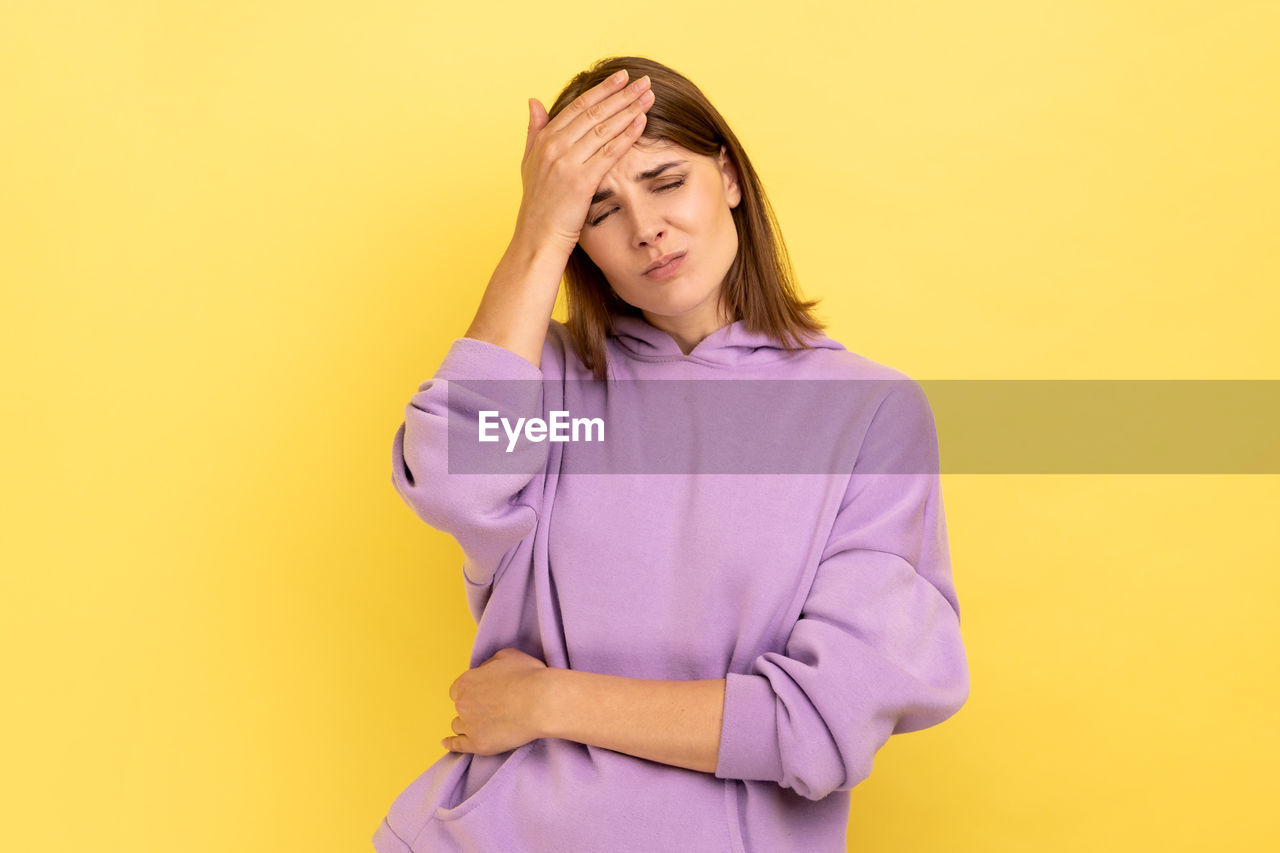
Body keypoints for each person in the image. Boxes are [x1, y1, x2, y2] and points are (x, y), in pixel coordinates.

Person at [373, 55, 970, 853]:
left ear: (727, 176)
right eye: (598, 209)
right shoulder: (544, 388)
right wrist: (537, 230)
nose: (645, 229)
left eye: (664, 180)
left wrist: (551, 702)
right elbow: (450, 481)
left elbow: (819, 724)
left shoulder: (864, 414)